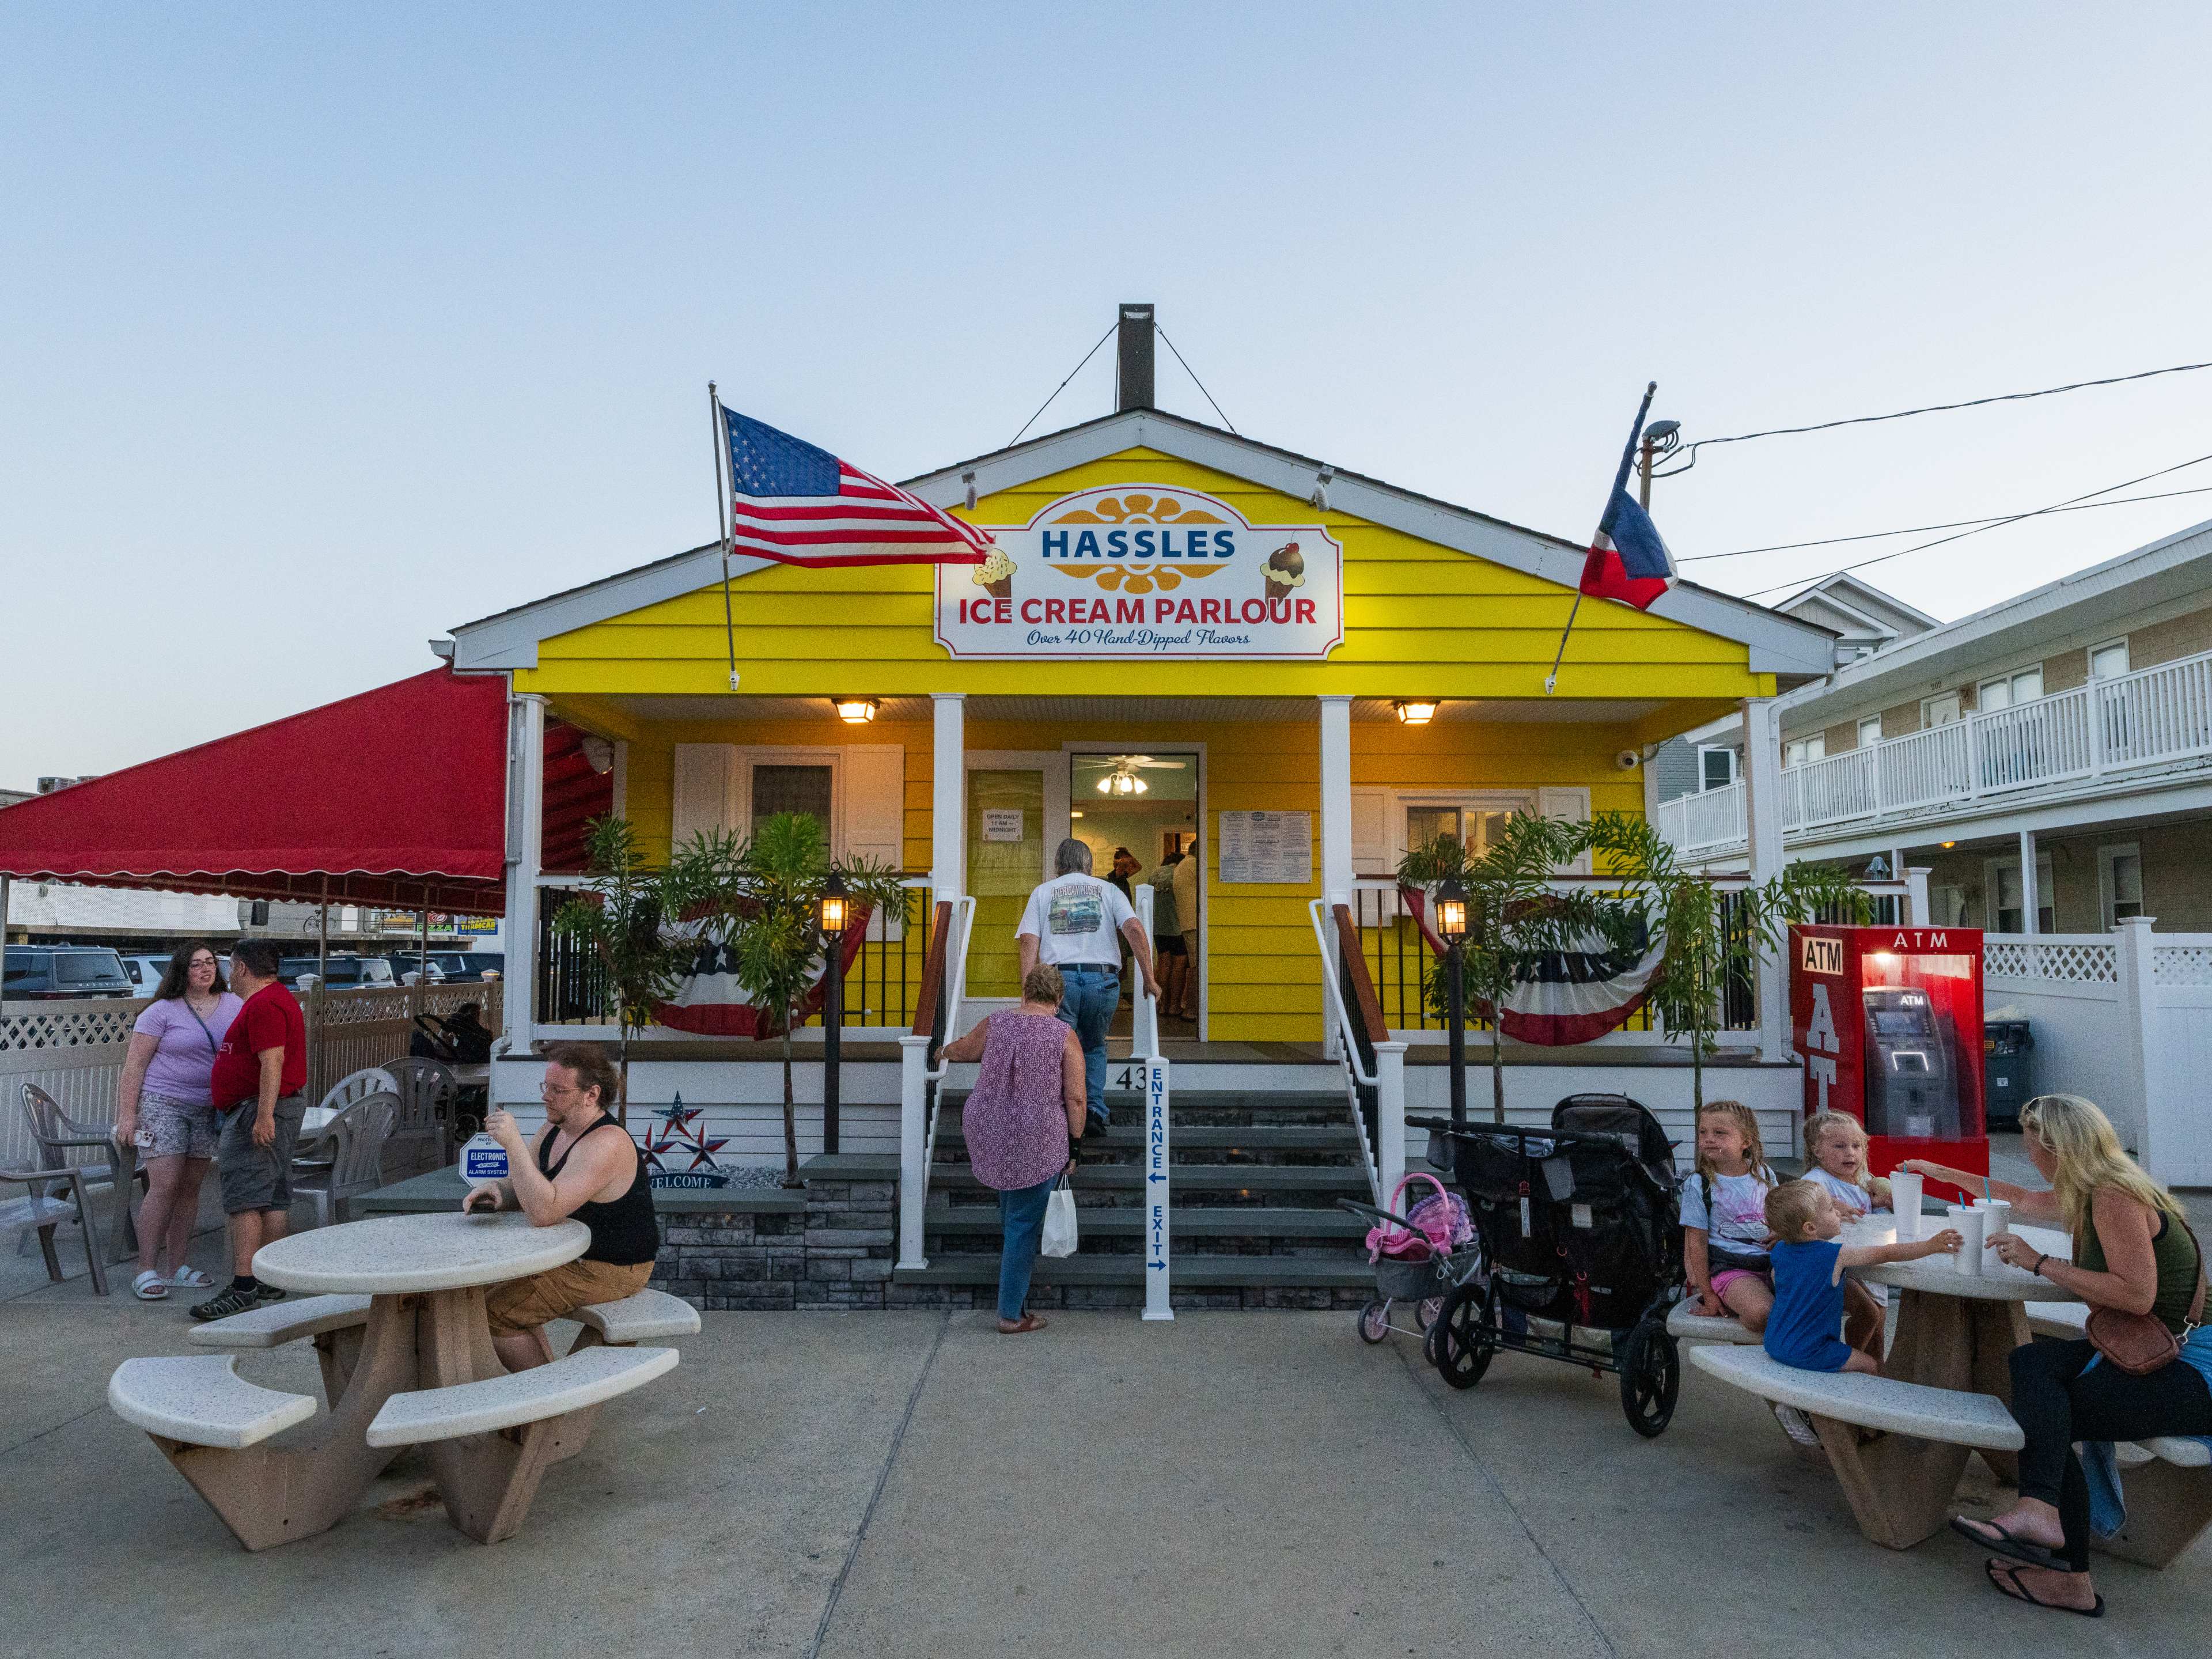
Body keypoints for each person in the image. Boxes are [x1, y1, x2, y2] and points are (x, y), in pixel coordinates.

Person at [1907, 1095, 2212, 1617]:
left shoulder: (2113, 1197)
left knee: (2055, 1410)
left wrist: (2039, 1262)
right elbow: (2022, 1200)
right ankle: (2041, 1509)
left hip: (2192, 1371)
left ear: (2057, 1148)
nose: (2028, 1156)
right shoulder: (2098, 1186)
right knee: (2031, 1364)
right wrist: (1937, 1172)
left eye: (2032, 1147)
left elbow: (2136, 1295)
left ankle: (2068, 1571)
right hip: (2153, 1350)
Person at [462, 1043, 661, 1372]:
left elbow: (545, 1211)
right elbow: (533, 1184)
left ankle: (550, 1401)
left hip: (611, 1267)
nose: (546, 1097)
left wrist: (513, 1144)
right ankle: (549, 1378)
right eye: (546, 1087)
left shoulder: (605, 1143)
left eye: (559, 1090)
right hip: (571, 1257)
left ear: (591, 1095)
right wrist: (500, 1191)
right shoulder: (555, 1128)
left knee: (493, 1314)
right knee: (478, 1291)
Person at [941, 964, 1086, 1334]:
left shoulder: (996, 1023)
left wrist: (938, 1050)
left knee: (1012, 1215)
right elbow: (1077, 1099)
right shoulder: (1064, 1035)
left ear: (1024, 993)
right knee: (1022, 1224)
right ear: (1058, 999)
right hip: (1037, 1135)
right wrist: (1076, 1146)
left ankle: (1016, 1304)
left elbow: (962, 1051)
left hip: (989, 1126)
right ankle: (1011, 1315)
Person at [188, 939, 308, 1321]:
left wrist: (263, 1116)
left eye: (229, 965)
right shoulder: (274, 999)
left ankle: (244, 1285)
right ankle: (268, 1277)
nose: (227, 973)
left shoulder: (265, 1004)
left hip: (258, 1109)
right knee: (272, 1193)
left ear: (241, 967)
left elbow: (272, 1061)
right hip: (268, 1106)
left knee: (246, 1196)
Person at [113, 941, 241, 1300]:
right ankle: (146, 1269)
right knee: (165, 1184)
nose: (206, 969)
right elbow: (134, 1066)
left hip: (209, 1107)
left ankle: (178, 1266)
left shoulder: (233, 1005)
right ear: (182, 971)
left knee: (190, 1188)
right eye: (197, 964)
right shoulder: (160, 1012)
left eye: (211, 963)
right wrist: (127, 1115)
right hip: (163, 1103)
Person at [1017, 838, 1158, 1137]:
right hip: (1103, 980)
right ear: (1089, 864)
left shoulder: (1044, 893)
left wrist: (1029, 991)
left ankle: (1062, 1115)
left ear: (1058, 865)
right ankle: (1093, 1112)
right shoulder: (1109, 890)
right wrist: (1149, 977)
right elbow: (1133, 928)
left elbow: (1030, 940)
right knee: (1094, 1046)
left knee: (1059, 1048)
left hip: (1058, 983)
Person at [1762, 1180, 1959, 1376]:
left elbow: (1777, 1278)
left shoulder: (1779, 1250)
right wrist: (1930, 1246)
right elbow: (1887, 1253)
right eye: (1830, 1210)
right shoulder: (1836, 1255)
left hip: (1775, 1341)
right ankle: (1848, 1401)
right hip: (1811, 1350)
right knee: (1870, 1365)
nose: (1837, 1213)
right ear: (1810, 1228)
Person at [1149, 851, 1186, 1023]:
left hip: (1158, 926)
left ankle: (1161, 1004)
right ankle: (1174, 1005)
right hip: (1176, 925)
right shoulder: (1179, 873)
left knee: (1163, 962)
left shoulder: (1156, 873)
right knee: (1179, 964)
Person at [1170, 834, 1201, 1021]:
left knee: (1194, 966)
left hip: (1187, 923)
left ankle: (1190, 1007)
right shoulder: (1193, 865)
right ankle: (1192, 1009)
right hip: (1195, 924)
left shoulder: (1183, 866)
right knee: (1198, 967)